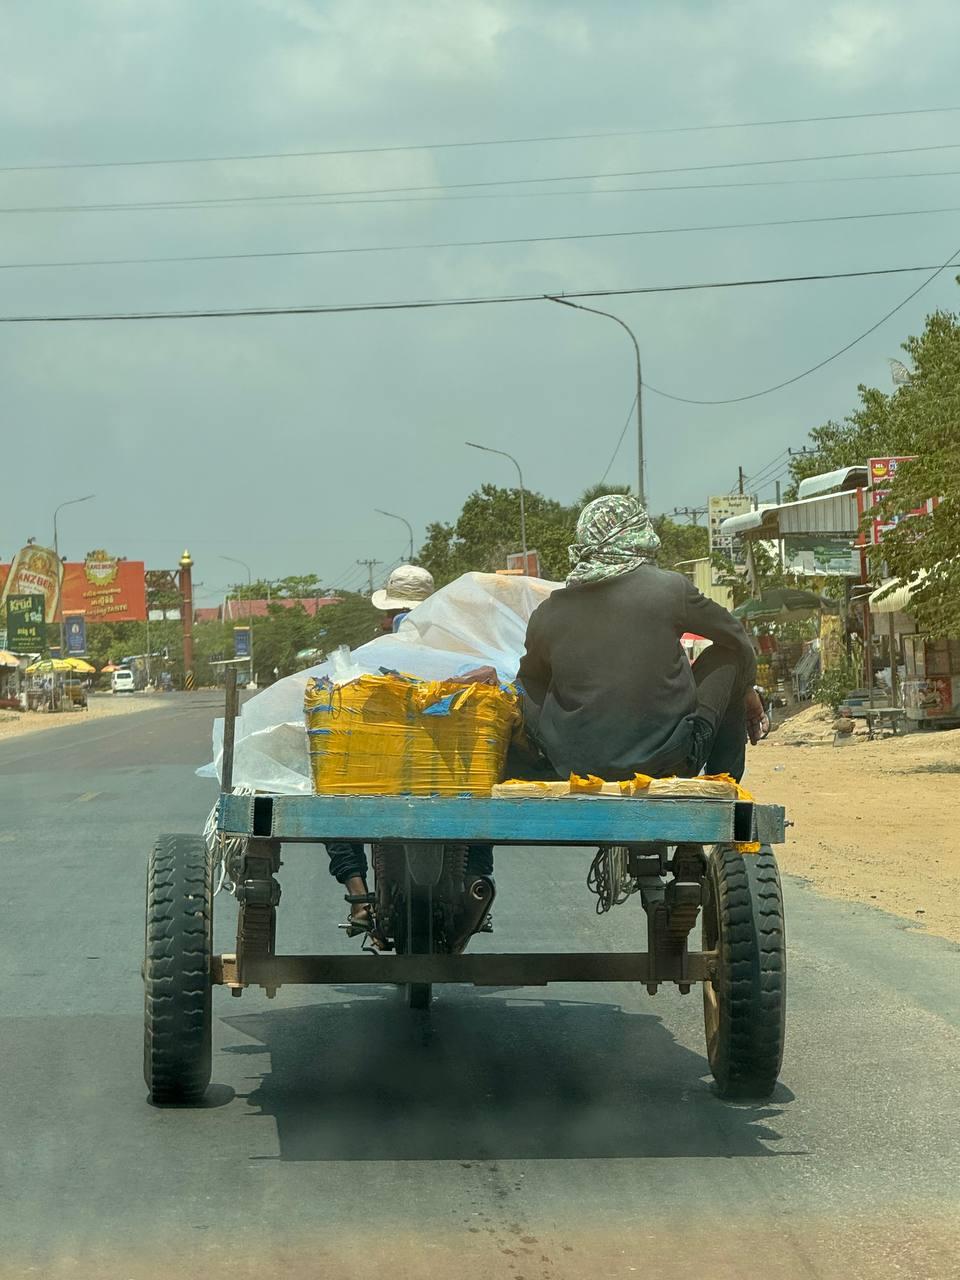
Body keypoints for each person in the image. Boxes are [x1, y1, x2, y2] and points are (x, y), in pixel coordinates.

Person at [517, 494, 764, 784]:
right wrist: (747, 689)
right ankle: (726, 788)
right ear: (637, 533)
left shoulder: (547, 612)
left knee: (527, 686)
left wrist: (551, 747)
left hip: (574, 770)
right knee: (729, 655)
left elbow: (528, 686)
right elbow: (735, 637)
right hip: (666, 763)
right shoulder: (668, 589)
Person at [327, 563, 436, 934]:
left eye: (390, 614)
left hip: (381, 771)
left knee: (332, 798)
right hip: (443, 774)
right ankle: (476, 887)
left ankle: (359, 897)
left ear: (394, 616)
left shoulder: (371, 655)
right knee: (479, 806)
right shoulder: (455, 645)